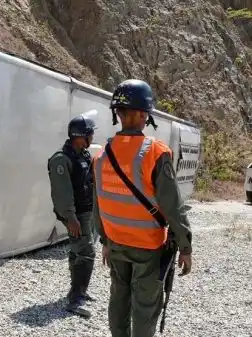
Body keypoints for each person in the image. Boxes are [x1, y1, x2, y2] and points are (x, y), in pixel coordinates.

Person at [91, 79, 193, 337]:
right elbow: (173, 206)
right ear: (141, 114)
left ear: (119, 114)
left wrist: (104, 239)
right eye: (146, 111)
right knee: (145, 306)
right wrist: (185, 246)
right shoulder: (156, 152)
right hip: (147, 246)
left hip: (115, 243)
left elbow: (98, 203)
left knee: (119, 298)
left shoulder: (102, 154)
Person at [47, 112, 98, 318]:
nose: (92, 137)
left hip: (86, 212)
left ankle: (78, 291)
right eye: (90, 133)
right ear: (81, 135)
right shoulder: (62, 159)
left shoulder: (83, 155)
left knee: (77, 251)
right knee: (86, 253)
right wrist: (70, 217)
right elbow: (62, 192)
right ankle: (75, 300)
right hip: (76, 215)